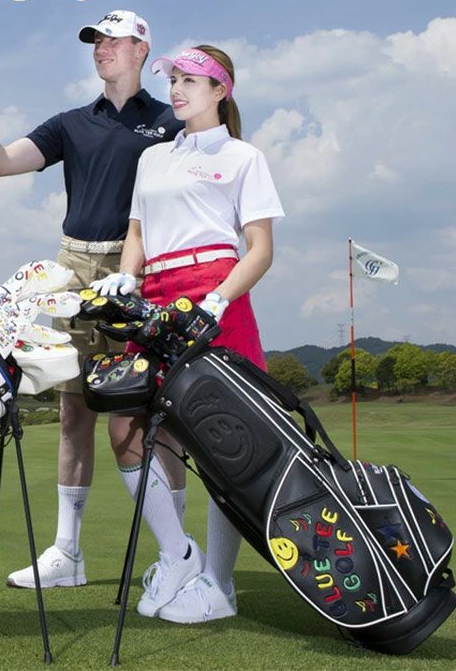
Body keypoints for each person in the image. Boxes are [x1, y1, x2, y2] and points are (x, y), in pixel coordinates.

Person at [0, 11, 183, 588]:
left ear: (141, 49)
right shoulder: (72, 123)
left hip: (141, 272)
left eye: (112, 40)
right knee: (74, 413)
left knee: (146, 415)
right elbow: (1, 164)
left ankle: (178, 556)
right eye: (96, 41)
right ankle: (67, 554)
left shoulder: (171, 120)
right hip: (75, 271)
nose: (101, 48)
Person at [92, 45, 284, 621]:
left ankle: (219, 586)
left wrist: (219, 300)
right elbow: (137, 232)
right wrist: (126, 277)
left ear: (221, 90)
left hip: (216, 292)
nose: (176, 90)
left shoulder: (243, 157)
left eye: (190, 81)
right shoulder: (152, 158)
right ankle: (177, 555)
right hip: (155, 297)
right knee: (127, 427)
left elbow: (260, 249)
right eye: (173, 80)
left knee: (227, 443)